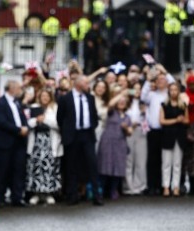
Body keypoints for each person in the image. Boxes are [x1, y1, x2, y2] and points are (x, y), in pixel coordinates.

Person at [56, 75, 103, 206]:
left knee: (92, 165)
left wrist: (93, 125)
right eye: (86, 83)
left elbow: (94, 115)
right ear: (78, 84)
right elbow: (60, 118)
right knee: (71, 166)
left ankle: (96, 195)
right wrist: (66, 131)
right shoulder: (66, 98)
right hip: (72, 136)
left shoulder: (90, 98)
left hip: (87, 134)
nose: (88, 85)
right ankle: (72, 195)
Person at [0, 80, 29, 207]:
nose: (20, 90)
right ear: (12, 88)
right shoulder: (1, 103)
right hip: (4, 142)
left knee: (18, 169)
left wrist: (25, 127)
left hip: (19, 142)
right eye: (19, 87)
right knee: (2, 170)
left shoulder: (17, 102)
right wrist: (19, 130)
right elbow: (1, 122)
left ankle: (17, 197)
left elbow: (22, 118)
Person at [141, 66, 176, 195]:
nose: (161, 81)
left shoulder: (169, 94)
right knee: (152, 159)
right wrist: (148, 79)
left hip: (167, 130)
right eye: (159, 79)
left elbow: (173, 83)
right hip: (154, 131)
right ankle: (152, 185)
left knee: (165, 160)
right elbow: (143, 96)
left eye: (163, 79)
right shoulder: (151, 94)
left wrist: (165, 72)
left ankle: (164, 185)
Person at [26, 87, 62, 205]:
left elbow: (58, 124)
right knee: (36, 167)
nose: (45, 98)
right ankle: (36, 193)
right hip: (36, 142)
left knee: (50, 168)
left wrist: (45, 120)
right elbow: (28, 123)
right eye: (43, 96)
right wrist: (36, 120)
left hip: (50, 142)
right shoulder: (34, 107)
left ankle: (49, 193)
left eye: (47, 96)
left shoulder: (55, 108)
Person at [98, 90, 133, 200]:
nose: (122, 103)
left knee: (118, 166)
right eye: (120, 101)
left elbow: (130, 132)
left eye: (124, 102)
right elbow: (110, 104)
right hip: (108, 141)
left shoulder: (127, 117)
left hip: (120, 143)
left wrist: (126, 128)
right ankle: (101, 190)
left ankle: (113, 189)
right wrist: (121, 94)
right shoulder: (112, 112)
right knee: (105, 165)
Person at [159, 82, 189, 197]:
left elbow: (187, 121)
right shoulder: (164, 105)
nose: (173, 92)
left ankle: (175, 186)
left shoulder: (183, 106)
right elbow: (161, 121)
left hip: (179, 136)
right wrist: (175, 120)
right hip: (167, 136)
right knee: (166, 163)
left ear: (179, 91)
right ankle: (166, 186)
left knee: (177, 163)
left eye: (175, 90)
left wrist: (182, 120)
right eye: (171, 90)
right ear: (169, 91)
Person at [124, 83, 147, 195]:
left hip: (141, 131)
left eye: (139, 89)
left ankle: (140, 185)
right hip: (128, 131)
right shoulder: (126, 103)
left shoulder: (144, 104)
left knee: (140, 159)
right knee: (129, 159)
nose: (137, 91)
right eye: (135, 89)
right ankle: (128, 185)